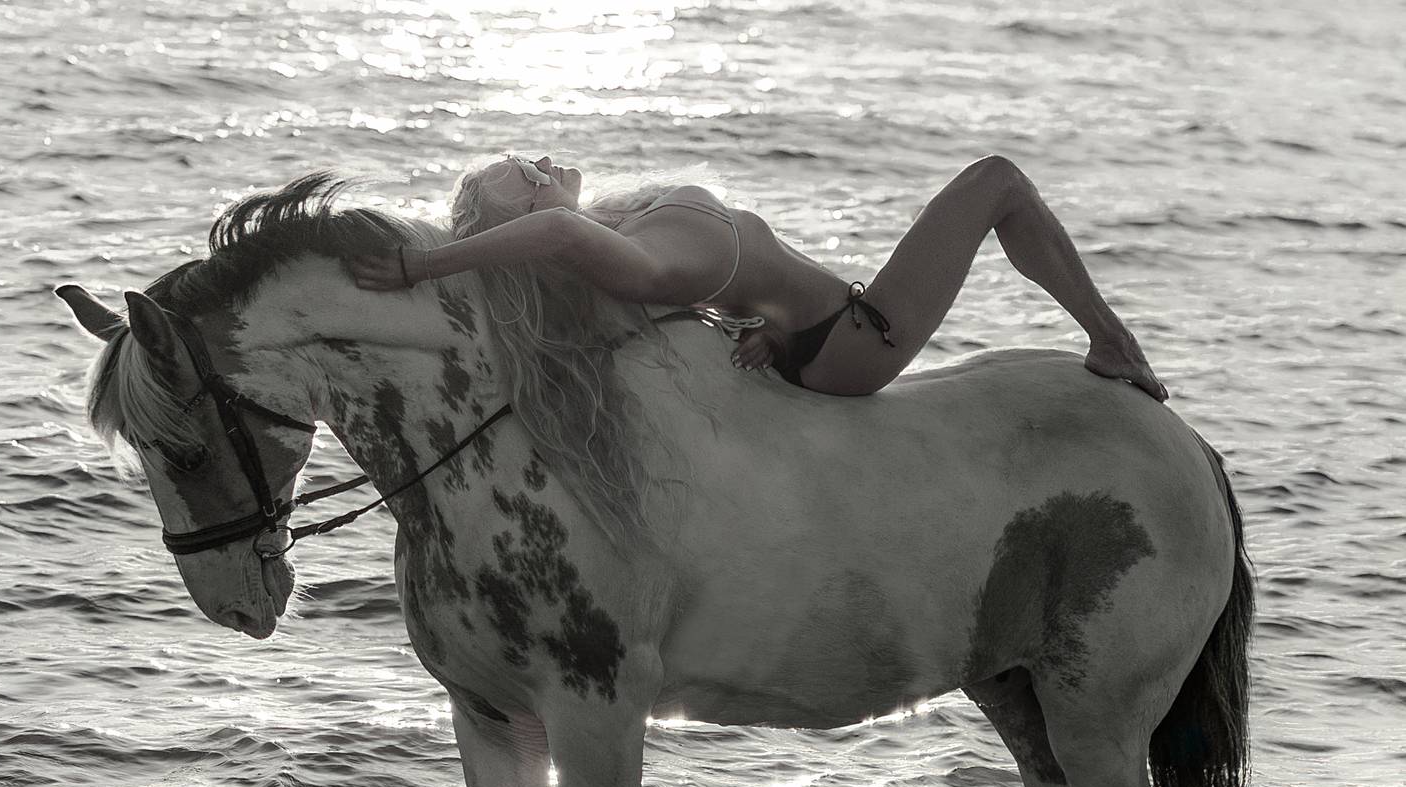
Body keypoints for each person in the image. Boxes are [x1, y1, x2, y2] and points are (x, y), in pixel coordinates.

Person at [350, 154, 1166, 402]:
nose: (544, 161)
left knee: (999, 183)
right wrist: (421, 264)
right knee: (999, 183)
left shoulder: (625, 238)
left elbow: (711, 294)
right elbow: (559, 233)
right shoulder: (615, 253)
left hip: (818, 336)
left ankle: (1112, 340)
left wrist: (758, 331)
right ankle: (1114, 343)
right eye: (528, 175)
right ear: (529, 219)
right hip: (856, 341)